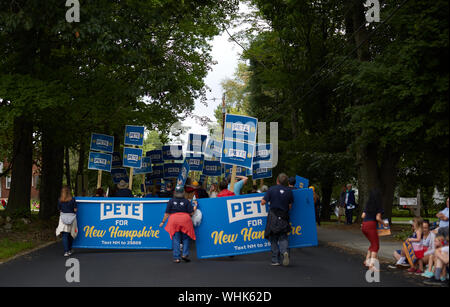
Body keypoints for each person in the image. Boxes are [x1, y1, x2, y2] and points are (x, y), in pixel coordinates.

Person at [261, 173, 294, 266]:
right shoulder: (289, 191)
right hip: (284, 216)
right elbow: (290, 206)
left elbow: (263, 202)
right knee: (283, 236)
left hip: (273, 216)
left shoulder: (271, 189)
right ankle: (284, 252)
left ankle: (275, 259)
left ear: (277, 181)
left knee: (273, 237)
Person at [159, 186, 196, 263]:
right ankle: (185, 254)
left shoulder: (171, 201)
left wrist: (162, 222)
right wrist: (195, 207)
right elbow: (191, 213)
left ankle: (176, 258)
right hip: (185, 220)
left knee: (176, 239)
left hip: (174, 220)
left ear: (175, 193)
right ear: (183, 193)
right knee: (186, 238)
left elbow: (167, 213)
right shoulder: (186, 201)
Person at [361, 189, 387, 271]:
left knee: (372, 243)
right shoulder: (379, 206)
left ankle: (367, 261)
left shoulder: (368, 205)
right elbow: (378, 218)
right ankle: (372, 266)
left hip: (364, 225)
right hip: (371, 225)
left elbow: (362, 216)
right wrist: (384, 224)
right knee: (376, 246)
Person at [55, 186, 78, 257]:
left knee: (65, 235)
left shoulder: (60, 200)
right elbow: (75, 210)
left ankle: (66, 251)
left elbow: (59, 209)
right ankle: (70, 249)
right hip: (72, 218)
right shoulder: (73, 199)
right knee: (71, 234)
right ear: (69, 192)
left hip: (63, 218)